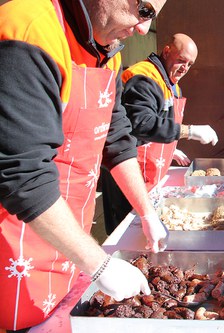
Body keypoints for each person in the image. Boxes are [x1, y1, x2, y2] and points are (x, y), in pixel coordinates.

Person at [0, 0, 170, 330]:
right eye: (144, 9)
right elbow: (23, 175)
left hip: (65, 246)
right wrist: (98, 264)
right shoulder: (30, 30)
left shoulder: (108, 51)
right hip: (14, 245)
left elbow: (117, 138)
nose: (143, 28)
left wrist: (147, 212)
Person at [100, 33, 218, 234]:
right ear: (166, 51)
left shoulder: (170, 83)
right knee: (127, 229)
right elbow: (141, 122)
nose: (185, 68)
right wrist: (189, 131)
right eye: (181, 60)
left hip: (147, 167)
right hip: (126, 167)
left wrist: (170, 148)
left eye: (189, 64)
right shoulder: (144, 77)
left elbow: (160, 122)